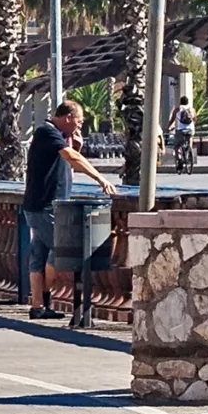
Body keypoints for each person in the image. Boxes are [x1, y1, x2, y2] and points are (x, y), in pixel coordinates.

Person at [26, 99, 124, 323]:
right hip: (45, 206)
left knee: (39, 256)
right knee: (60, 250)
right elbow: (72, 158)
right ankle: (43, 299)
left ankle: (38, 306)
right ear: (68, 117)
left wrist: (75, 146)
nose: (79, 127)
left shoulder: (54, 137)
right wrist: (100, 179)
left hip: (42, 205)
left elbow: (66, 162)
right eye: (78, 122)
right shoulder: (47, 132)